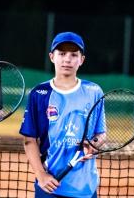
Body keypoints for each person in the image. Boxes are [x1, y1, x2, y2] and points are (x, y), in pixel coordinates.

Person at [19, 32, 105, 198]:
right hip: (49, 187)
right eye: (62, 53)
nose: (67, 59)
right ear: (52, 57)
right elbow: (29, 140)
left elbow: (100, 134)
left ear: (82, 60)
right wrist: (41, 176)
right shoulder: (40, 93)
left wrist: (94, 144)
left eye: (74, 55)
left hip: (85, 188)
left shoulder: (94, 91)